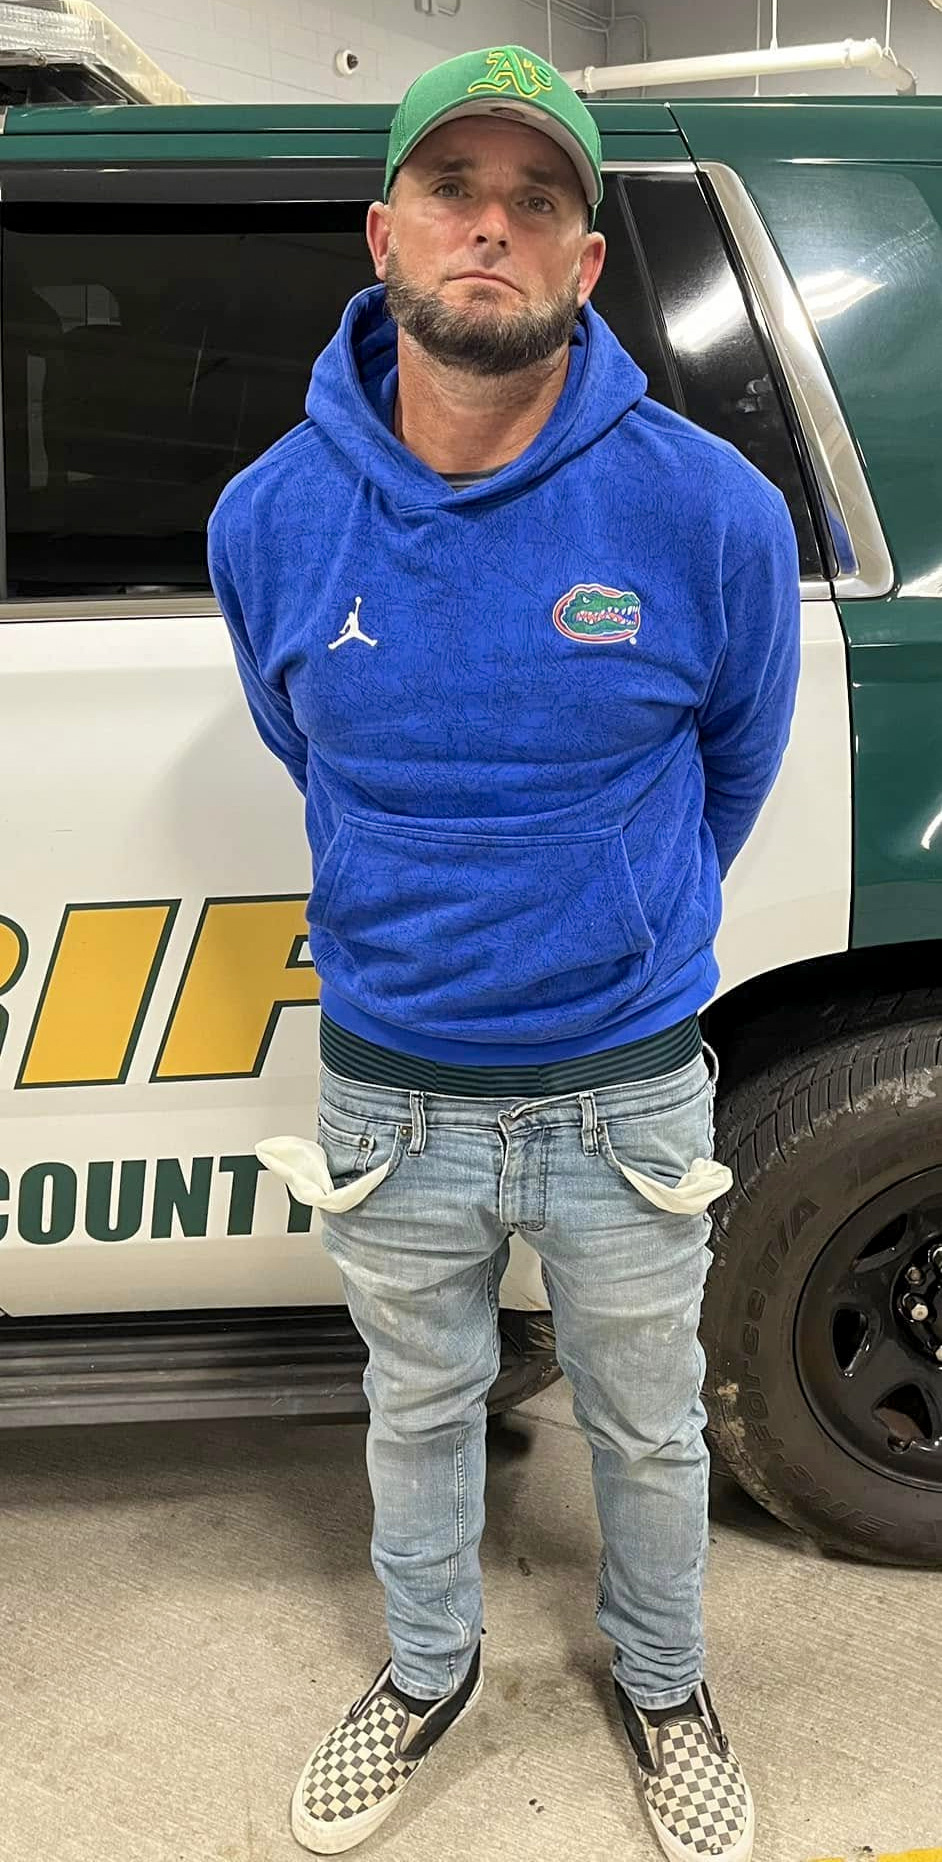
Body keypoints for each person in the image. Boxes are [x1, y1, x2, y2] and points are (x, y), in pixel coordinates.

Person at [207, 42, 800, 1861]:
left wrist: (611, 920)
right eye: (453, 190)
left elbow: (732, 765)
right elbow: (314, 750)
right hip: (391, 1094)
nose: (491, 225)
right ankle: (426, 1670)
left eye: (536, 200)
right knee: (416, 1409)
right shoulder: (268, 518)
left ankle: (664, 1681)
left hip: (626, 1090)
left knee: (648, 1425)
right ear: (382, 232)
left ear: (583, 262)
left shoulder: (709, 510)